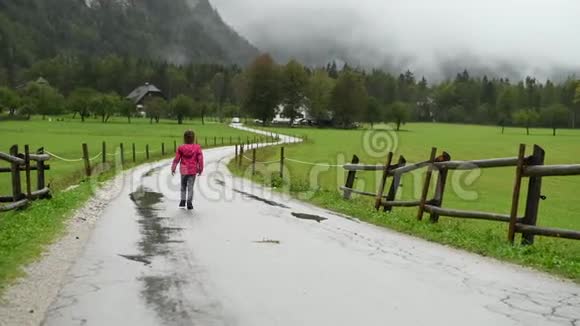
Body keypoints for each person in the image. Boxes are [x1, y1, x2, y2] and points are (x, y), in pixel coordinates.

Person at [171, 130, 204, 210]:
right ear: (193, 138)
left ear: (184, 138)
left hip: (184, 169)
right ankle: (189, 202)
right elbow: (200, 159)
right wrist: (200, 169)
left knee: (183, 186)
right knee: (190, 186)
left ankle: (182, 200)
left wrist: (173, 167)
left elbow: (177, 159)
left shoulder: (181, 147)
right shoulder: (197, 147)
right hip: (193, 170)